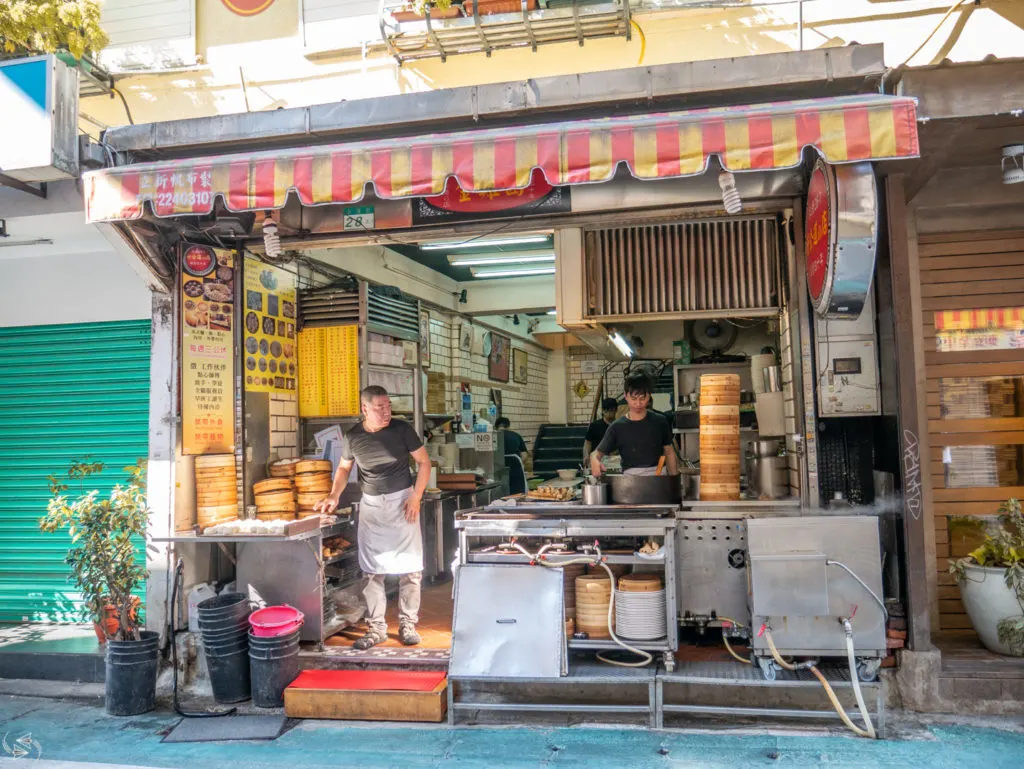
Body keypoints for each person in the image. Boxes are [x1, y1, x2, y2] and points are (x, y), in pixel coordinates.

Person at [316, 386, 432, 649]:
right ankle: (377, 628)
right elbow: (345, 468)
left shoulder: (402, 430)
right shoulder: (354, 436)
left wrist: (416, 496)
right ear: (365, 409)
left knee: (411, 569)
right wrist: (334, 495)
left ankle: (408, 623)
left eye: (388, 406)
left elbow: (425, 463)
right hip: (372, 506)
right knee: (371, 571)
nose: (386, 412)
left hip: (403, 502)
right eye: (380, 408)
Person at [590, 371, 677, 477]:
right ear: (626, 396)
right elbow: (596, 453)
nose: (638, 403)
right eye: (634, 398)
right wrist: (594, 459)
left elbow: (669, 451)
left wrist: (674, 480)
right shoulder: (617, 427)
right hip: (630, 481)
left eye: (642, 398)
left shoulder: (660, 421)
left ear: (649, 396)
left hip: (658, 477)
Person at [583, 398, 619, 463]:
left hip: (614, 459)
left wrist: (615, 453)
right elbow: (588, 443)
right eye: (606, 411)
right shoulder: (595, 425)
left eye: (611, 410)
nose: (609, 413)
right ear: (602, 411)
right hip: (597, 459)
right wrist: (586, 456)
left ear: (616, 410)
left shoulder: (619, 426)